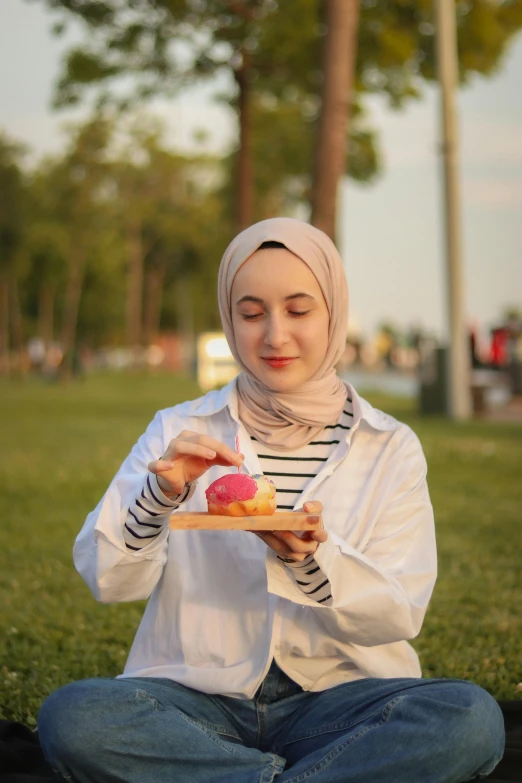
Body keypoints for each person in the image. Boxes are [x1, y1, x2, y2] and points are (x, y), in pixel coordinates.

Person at [38, 218, 504, 783]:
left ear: (333, 312)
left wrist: (308, 561)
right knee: (75, 718)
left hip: (340, 700)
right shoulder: (177, 430)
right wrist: (160, 496)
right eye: (252, 312)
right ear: (230, 320)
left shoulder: (389, 446)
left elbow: (400, 611)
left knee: (469, 718)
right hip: (198, 698)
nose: (274, 336)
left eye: (299, 310)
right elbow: (109, 579)